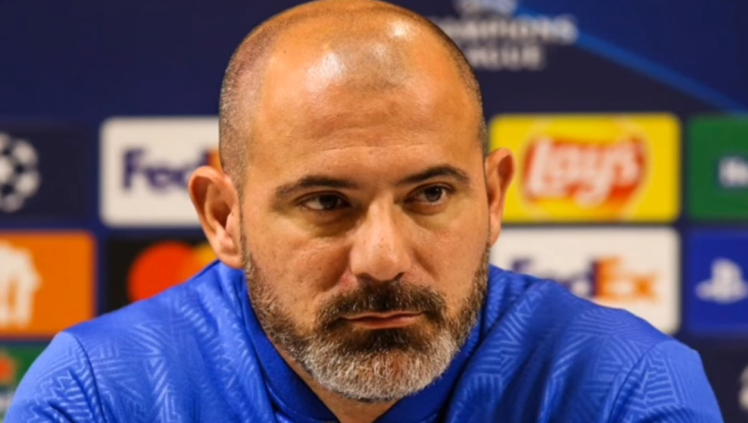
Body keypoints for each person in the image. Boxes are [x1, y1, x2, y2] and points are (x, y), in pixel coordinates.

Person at [7, 0, 723, 422]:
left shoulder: (626, 391)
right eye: (327, 202)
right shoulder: (100, 396)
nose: (384, 258)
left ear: (493, 197)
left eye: (430, 195)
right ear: (224, 217)